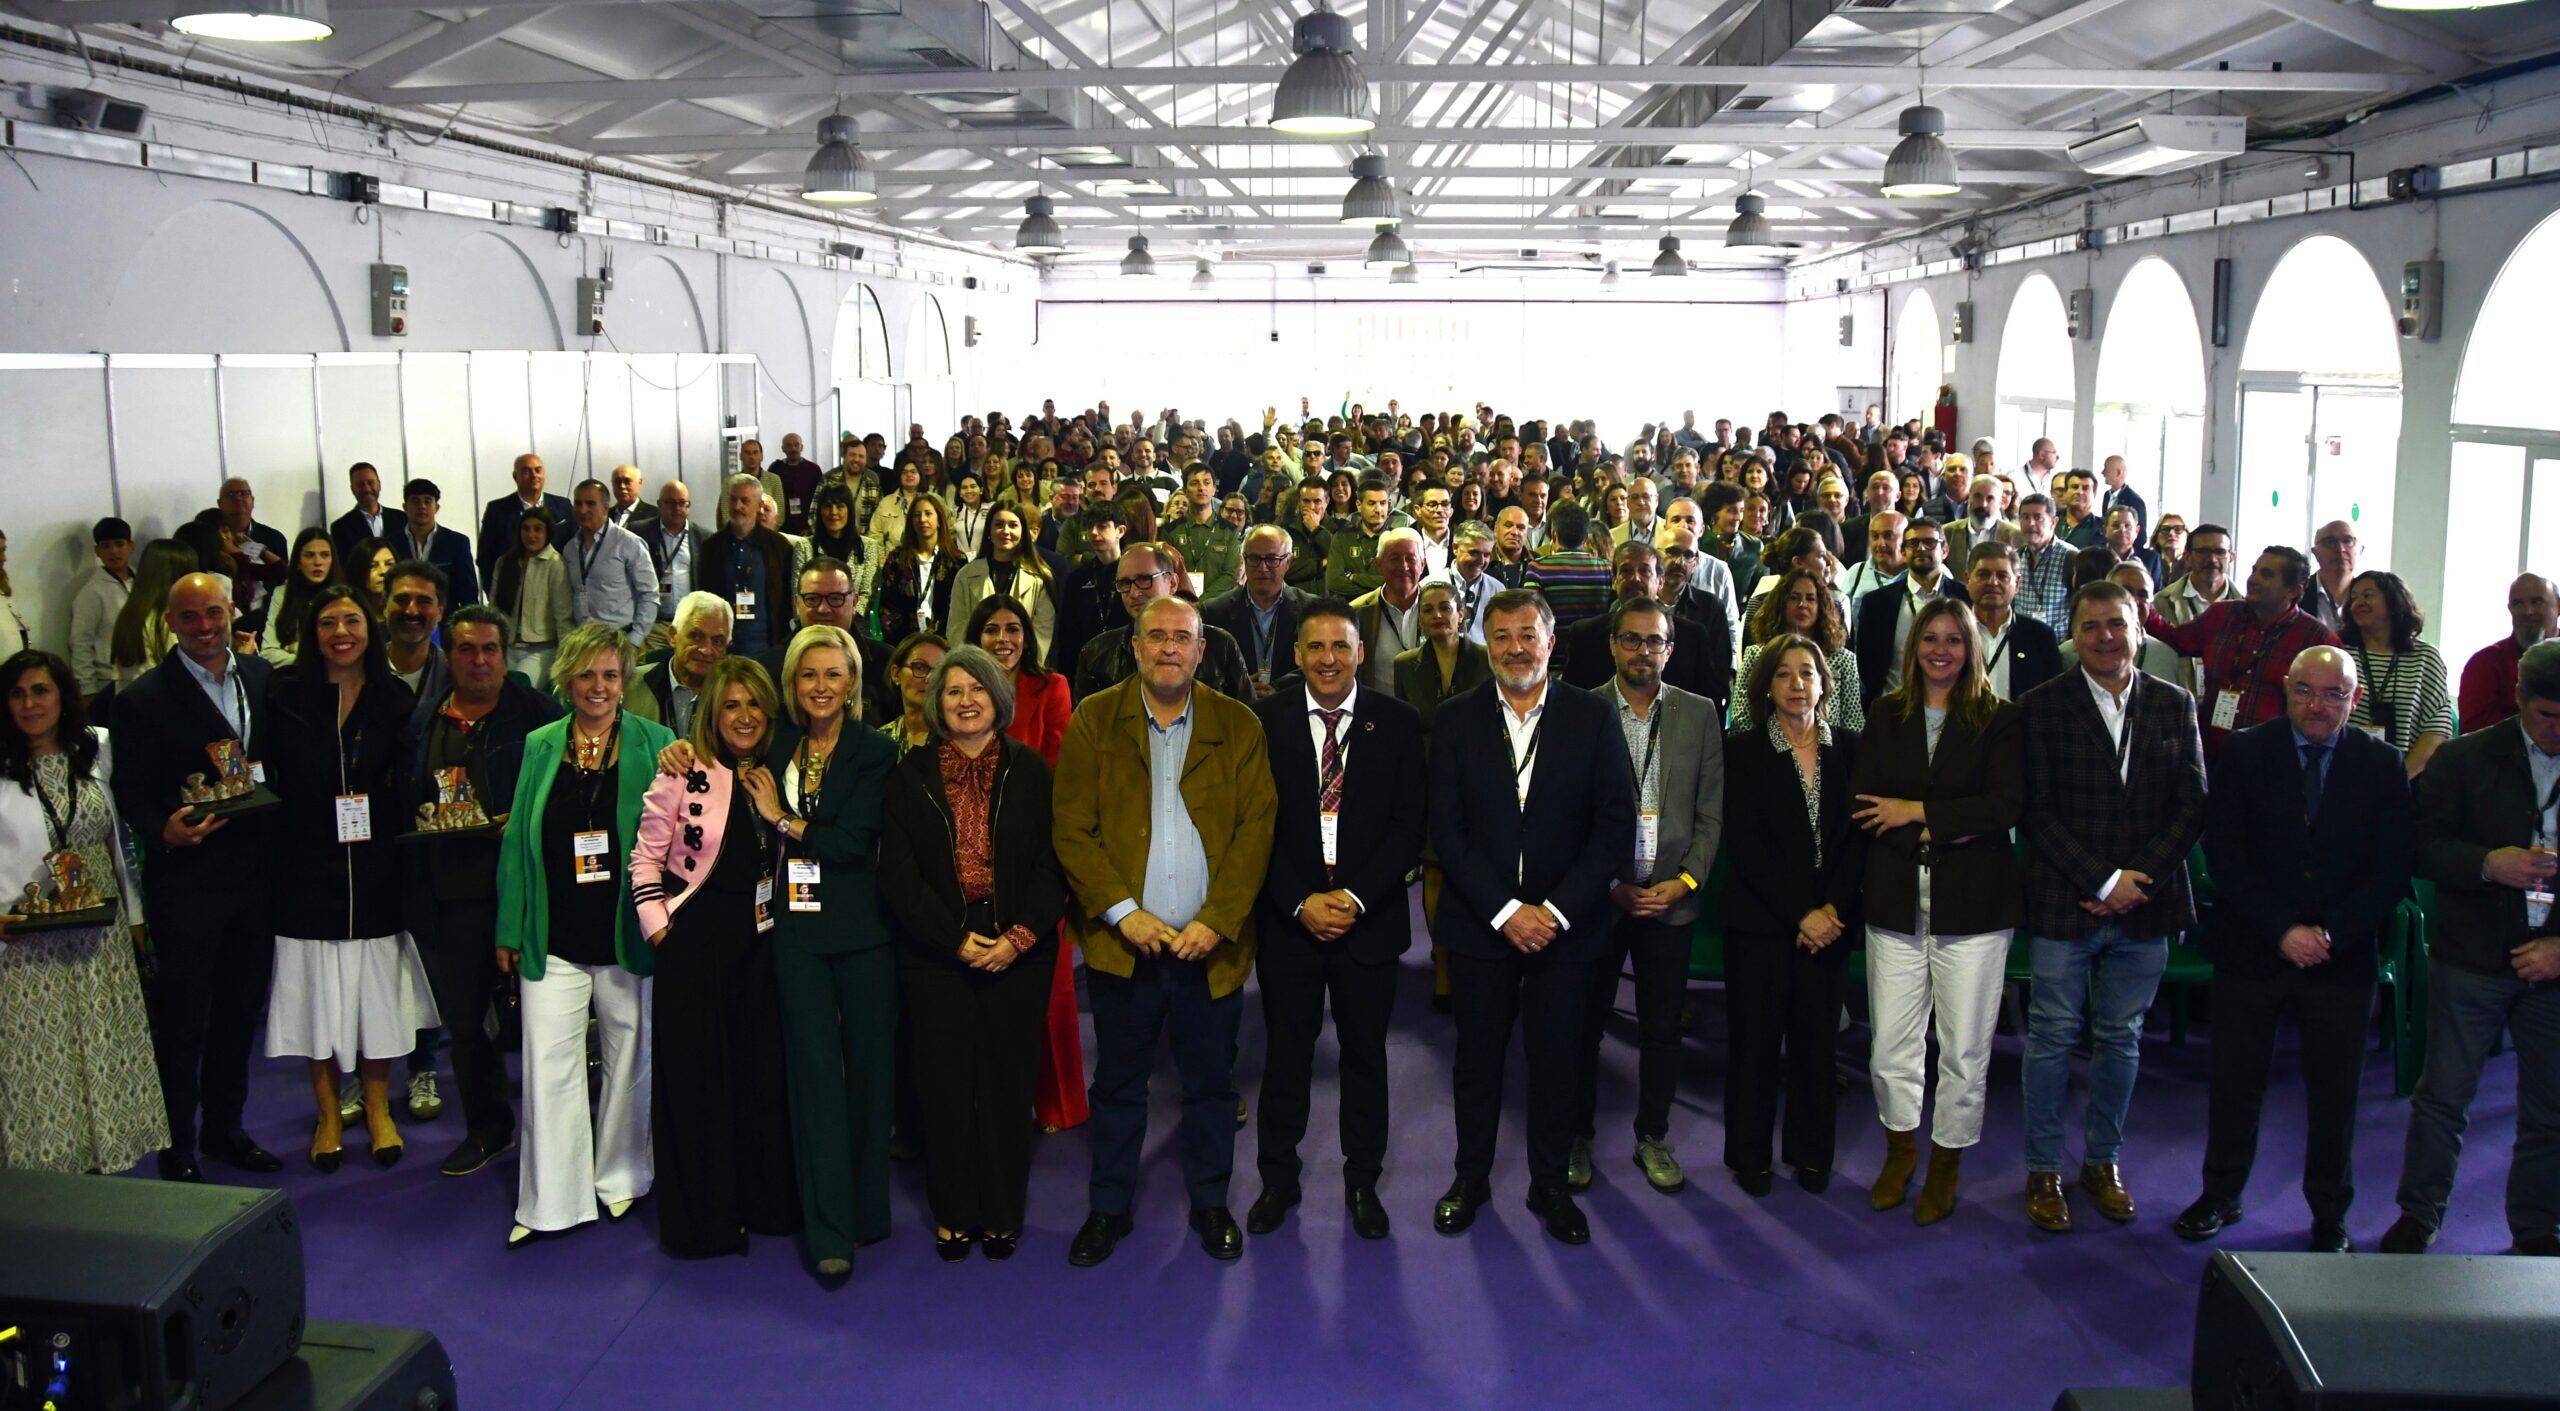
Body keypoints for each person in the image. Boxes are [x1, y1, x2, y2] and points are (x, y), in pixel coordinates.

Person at [1052, 596, 1277, 1266]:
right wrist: (1124, 912)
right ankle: (1109, 1207)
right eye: (1156, 636)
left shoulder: (1238, 724)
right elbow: (1072, 830)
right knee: (1119, 1085)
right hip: (1127, 948)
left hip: (1211, 949)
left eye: (1183, 636)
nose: (1169, 647)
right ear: (1135, 646)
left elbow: (1255, 832)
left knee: (1210, 1085)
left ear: (1202, 649)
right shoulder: (1094, 721)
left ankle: (1211, 1203)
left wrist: (1216, 921)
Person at [2179, 646, 2411, 1253]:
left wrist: (2332, 932)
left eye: (2335, 694)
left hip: (2342, 956)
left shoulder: (2382, 764)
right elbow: (2224, 855)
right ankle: (2220, 1195)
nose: (2319, 704)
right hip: (2254, 947)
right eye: (2307, 690)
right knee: (2235, 1083)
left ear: (2354, 700)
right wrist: (2282, 929)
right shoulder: (2247, 752)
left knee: (2336, 1095)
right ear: (2287, 689)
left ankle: (2330, 1214)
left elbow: (2390, 871)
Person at [1428, 590, 1636, 1245]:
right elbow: (1446, 828)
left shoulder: (1593, 718)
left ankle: (1549, 1185)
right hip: (1479, 924)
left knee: (1559, 1061)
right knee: (1477, 1059)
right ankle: (1470, 1176)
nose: (1516, 647)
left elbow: (1612, 828)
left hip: (1565, 930)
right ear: (1484, 643)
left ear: (1552, 641)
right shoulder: (1455, 719)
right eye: (1502, 636)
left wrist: (1551, 910)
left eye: (1528, 634)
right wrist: (1504, 910)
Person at [2019, 580, 2208, 1233]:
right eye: (2092, 625)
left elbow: (2193, 804)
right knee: (2049, 1038)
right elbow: (2034, 811)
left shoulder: (2174, 703)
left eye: (2117, 625)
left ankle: (2103, 1161)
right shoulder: (2041, 706)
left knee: (2121, 1038)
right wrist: (2102, 881)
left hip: (2147, 906)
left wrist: (2139, 879)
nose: (2105, 636)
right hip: (2066, 899)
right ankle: (2043, 1167)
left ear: (2140, 632)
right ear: (2073, 634)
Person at [1244, 602, 1427, 1240]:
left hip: (1367, 925)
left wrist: (1354, 898)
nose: (1328, 659)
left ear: (1357, 653)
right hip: (1289, 925)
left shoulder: (1398, 724)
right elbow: (1251, 830)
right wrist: (1299, 902)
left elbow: (1410, 827)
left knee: (1365, 1058)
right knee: (1286, 1057)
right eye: (1315, 647)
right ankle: (1277, 1181)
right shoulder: (1262, 725)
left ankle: (1362, 1182)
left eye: (1340, 648)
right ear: (1296, 655)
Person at [880, 644, 1065, 1261]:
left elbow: (1053, 864)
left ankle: (1003, 1213)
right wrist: (954, 939)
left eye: (977, 689)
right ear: (937, 702)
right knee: (945, 1085)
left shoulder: (1032, 770)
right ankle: (955, 1211)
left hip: (1020, 948)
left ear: (998, 699)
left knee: (1008, 1085)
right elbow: (899, 878)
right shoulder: (910, 775)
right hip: (936, 953)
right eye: (953, 690)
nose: (965, 701)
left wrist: (1016, 940)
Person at [493, 623, 670, 1243]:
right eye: (587, 675)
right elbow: (517, 839)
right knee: (547, 1064)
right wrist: (509, 926)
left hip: (628, 933)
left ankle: (620, 1177)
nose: (599, 687)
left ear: (625, 682)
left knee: (629, 1059)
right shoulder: (540, 743)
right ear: (566, 680)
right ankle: (551, 1202)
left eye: (611, 675)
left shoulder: (659, 743)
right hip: (554, 936)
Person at [1849, 600, 2023, 1226]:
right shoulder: (1886, 713)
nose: (1941, 649)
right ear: (1913, 645)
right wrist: (1926, 824)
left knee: (1965, 1049)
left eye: (1954, 639)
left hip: (1974, 906)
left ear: (1971, 647)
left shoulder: (1998, 718)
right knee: (1891, 1045)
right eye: (1930, 638)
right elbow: (1867, 804)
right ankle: (1900, 1151)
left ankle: (1946, 1160)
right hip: (1896, 897)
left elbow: (2004, 805)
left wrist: (1918, 814)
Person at [2385, 638, 2560, 1257]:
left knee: (2550, 1110)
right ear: (2517, 698)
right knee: (2443, 1098)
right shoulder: (2461, 760)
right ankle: (2419, 1214)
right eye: (2546, 716)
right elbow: (2421, 847)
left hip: (2557, 963)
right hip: (2472, 956)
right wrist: (2489, 864)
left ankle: (2539, 1227)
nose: (2558, 730)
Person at [109, 573, 284, 1182]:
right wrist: (164, 830)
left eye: (213, 613)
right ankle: (177, 1142)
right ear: (171, 623)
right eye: (190, 617)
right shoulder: (142, 700)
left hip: (257, 878)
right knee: (183, 1019)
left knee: (240, 1011)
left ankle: (225, 1128)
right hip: (186, 881)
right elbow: (128, 789)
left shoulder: (265, 679)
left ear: (232, 611)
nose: (205, 627)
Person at [630, 656, 799, 1257]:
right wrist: (661, 932)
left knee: (758, 1079)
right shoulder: (681, 770)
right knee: (696, 1084)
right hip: (692, 947)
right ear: (711, 711)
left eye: (754, 704)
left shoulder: (781, 768)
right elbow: (644, 859)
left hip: (761, 946)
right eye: (732, 704)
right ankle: (706, 1223)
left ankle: (765, 1205)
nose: (745, 716)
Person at [263, 585, 428, 1170]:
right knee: (317, 997)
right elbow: (263, 777)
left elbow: (412, 780)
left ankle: (380, 1109)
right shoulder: (283, 697)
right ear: (313, 633)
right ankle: (330, 1113)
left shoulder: (394, 699)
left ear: (370, 628)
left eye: (352, 620)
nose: (341, 632)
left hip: (376, 866)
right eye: (329, 621)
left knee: (375, 995)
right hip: (304, 867)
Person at [1568, 597, 1723, 1197]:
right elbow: (1570, 814)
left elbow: (1711, 813)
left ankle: (1652, 1135)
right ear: (1612, 644)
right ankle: (1578, 1136)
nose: (1642, 651)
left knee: (1661, 1028)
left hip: (1671, 898)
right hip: (1599, 901)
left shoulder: (1701, 713)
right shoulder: (1582, 711)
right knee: (1585, 1024)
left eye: (1653, 641)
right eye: (1630, 640)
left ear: (1670, 649)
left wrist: (1683, 882)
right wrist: (1607, 886)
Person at [399, 602, 560, 1178]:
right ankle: (489, 1129)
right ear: (450, 652)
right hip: (448, 896)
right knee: (466, 1026)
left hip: (528, 893)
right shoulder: (424, 720)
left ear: (505, 653)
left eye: (490, 649)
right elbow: (404, 796)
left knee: (544, 1021)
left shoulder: (539, 715)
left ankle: (558, 1134)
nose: (479, 660)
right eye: (466, 648)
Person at [0, 650, 166, 1173]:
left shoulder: (97, 750)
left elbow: (120, 844)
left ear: (63, 696)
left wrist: (135, 920)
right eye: (18, 693)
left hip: (101, 932)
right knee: (42, 1062)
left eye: (40, 691)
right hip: (27, 942)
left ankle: (104, 1163)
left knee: (101, 1047)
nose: (30, 704)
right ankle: (50, 1173)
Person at [1721, 633, 1863, 1199]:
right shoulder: (1743, 751)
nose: (1797, 684)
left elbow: (1858, 840)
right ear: (1767, 686)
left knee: (1816, 1046)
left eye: (1808, 673)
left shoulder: (1852, 748)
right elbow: (1746, 846)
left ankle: (1811, 1153)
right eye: (1784, 674)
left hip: (1830, 924)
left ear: (1826, 683)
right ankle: (1750, 1156)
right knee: (1754, 1045)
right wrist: (1801, 912)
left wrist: (1832, 909)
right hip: (1762, 922)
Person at [971, 594, 1088, 1136]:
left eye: (1012, 628)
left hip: (1038, 849)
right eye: (991, 629)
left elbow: (1059, 769)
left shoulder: (1052, 687)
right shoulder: (963, 690)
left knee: (1052, 982)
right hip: (972, 855)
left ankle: (1060, 1103)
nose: (1003, 639)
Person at [2144, 545, 2340, 758]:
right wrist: (2142, 607)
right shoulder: (2223, 614)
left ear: (2294, 590)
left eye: (2266, 574)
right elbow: (2177, 639)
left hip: (2273, 759)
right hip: (2210, 752)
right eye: (2254, 570)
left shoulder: (2317, 640)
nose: (2252, 579)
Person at [1557, 542, 1732, 708]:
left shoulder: (1691, 637)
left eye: (1645, 571)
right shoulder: (1585, 635)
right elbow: (1570, 699)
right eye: (1625, 571)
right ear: (1614, 580)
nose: (1635, 578)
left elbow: (1711, 700)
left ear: (1660, 582)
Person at [1071, 544, 1253, 702]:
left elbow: (1245, 722)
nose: (1134, 593)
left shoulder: (1221, 646)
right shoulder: (1096, 654)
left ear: (1172, 583)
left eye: (1144, 580)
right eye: (1125, 583)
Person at [2339, 571, 2454, 776]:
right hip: (2343, 774)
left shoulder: (2426, 657)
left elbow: (2437, 727)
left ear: (2393, 602)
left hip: (2407, 779)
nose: (2358, 603)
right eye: (2353, 597)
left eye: (2368, 595)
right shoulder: (2340, 653)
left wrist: (2399, 778)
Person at [1852, 517, 1967, 710]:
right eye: (1913, 543)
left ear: (1945, 551)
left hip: (1953, 709)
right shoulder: (1876, 603)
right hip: (1895, 710)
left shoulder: (1965, 597)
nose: (1921, 548)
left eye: (1929, 543)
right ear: (1903, 552)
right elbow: (1866, 664)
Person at [1735, 569, 1864, 733]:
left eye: (1811, 599)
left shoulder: (1844, 659)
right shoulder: (1756, 655)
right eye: (1794, 598)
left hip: (1831, 751)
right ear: (1781, 603)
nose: (1803, 604)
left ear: (1821, 606)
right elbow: (1741, 720)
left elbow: (1854, 724)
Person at [1200, 525, 1311, 698]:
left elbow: (1317, 667)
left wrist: (1279, 689)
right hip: (1235, 711)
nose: (1262, 568)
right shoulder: (1214, 612)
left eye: (1272, 559)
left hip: (1292, 709)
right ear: (1243, 560)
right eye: (1254, 559)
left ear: (1288, 562)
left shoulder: (1311, 610)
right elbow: (1206, 675)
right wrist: (1239, 687)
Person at [700, 474, 799, 663]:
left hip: (767, 652)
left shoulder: (779, 547)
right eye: (733, 500)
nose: (737, 506)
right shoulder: (711, 547)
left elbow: (787, 601)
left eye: (745, 501)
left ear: (758, 506)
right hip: (721, 652)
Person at [948, 505, 1059, 665]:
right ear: (989, 531)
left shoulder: (1040, 577)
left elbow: (1042, 632)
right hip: (977, 669)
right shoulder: (966, 575)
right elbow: (956, 628)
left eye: (1013, 525)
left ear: (1023, 532)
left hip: (1023, 669)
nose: (1005, 531)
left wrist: (1024, 667)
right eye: (998, 524)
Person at [2458, 573, 2559, 734]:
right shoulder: (2485, 664)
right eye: (2518, 603)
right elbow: (2475, 737)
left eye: (2537, 601)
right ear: (2510, 610)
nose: (2528, 611)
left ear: (2558, 607)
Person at [564, 479, 659, 648]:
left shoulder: (629, 543)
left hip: (621, 640)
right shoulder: (570, 549)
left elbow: (649, 594)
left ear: (606, 508)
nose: (582, 510)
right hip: (583, 643)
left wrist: (635, 640)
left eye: (590, 504)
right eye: (578, 503)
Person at [1964, 543, 2064, 700]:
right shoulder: (1954, 633)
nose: (1993, 582)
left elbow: (2054, 697)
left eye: (2002, 576)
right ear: (1967, 579)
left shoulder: (2040, 637)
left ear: (2017, 584)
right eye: (1983, 575)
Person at [490, 507, 573, 683]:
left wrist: (566, 658)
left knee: (519, 689)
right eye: (526, 528)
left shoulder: (556, 564)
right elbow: (494, 611)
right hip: (507, 647)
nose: (531, 535)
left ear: (547, 532)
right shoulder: (504, 562)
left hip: (541, 650)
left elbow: (563, 616)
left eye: (538, 529)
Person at [477, 454, 574, 592]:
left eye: (538, 470)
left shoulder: (563, 506)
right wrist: (496, 594)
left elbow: (575, 547)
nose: (534, 475)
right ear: (515, 476)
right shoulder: (497, 510)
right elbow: (485, 557)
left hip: (557, 588)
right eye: (526, 471)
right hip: (514, 592)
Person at [876, 497, 963, 645]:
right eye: (916, 515)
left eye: (928, 513)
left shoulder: (956, 561)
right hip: (904, 640)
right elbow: (887, 605)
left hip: (946, 641)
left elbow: (959, 609)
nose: (922, 519)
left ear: (939, 520)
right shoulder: (897, 559)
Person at [636, 480, 710, 656]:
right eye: (670, 503)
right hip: (655, 624)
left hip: (690, 623)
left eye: (681, 503)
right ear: (659, 505)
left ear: (688, 506)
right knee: (655, 669)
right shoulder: (640, 532)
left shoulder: (703, 537)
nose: (676, 508)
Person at [69, 517, 135, 702]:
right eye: (105, 546)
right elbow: (81, 642)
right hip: (109, 682)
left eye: (119, 544)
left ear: (131, 546)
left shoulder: (141, 582)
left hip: (143, 675)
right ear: (97, 551)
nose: (113, 551)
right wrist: (87, 689)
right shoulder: (92, 592)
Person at [1521, 501, 1613, 630]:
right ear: (1586, 538)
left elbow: (1531, 615)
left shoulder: (1537, 568)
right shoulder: (1605, 568)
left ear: (1553, 534)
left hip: (1553, 647)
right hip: (1595, 647)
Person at [395, 478, 482, 609]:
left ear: (437, 507)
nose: (422, 506)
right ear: (405, 507)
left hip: (445, 622)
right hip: (404, 618)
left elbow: (468, 593)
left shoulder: (457, 543)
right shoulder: (391, 543)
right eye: (415, 501)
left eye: (428, 501)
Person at [257, 528, 339, 665]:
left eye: (325, 555)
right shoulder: (282, 594)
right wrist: (309, 663)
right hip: (295, 677)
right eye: (309, 555)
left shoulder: (344, 596)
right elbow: (268, 652)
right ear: (298, 562)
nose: (318, 562)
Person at [879, 633, 948, 757]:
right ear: (896, 674)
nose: (929, 678)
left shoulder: (957, 737)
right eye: (920, 667)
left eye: (939, 671)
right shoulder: (880, 740)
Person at [329, 461, 395, 566]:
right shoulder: (340, 527)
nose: (366, 489)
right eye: (360, 484)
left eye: (370, 482)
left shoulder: (401, 518)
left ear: (379, 485)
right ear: (352, 489)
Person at [2301, 520, 2358, 636]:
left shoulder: (2374, 598)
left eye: (2347, 541)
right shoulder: (2298, 594)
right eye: (2330, 542)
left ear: (2360, 550)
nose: (2340, 549)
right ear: (2315, 552)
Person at [605, 464, 657, 534]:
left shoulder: (654, 515)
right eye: (617, 481)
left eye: (627, 481)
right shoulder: (604, 516)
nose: (622, 486)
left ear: (640, 482)